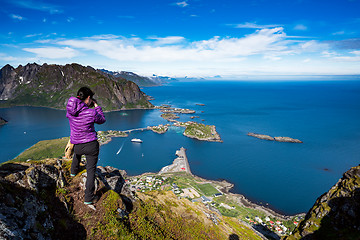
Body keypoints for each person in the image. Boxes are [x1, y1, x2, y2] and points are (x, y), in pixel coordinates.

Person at [66, 87, 106, 205]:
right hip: (91, 145)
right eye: (91, 99)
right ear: (88, 98)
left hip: (77, 144)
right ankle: (88, 198)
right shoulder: (91, 112)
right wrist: (97, 107)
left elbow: (74, 115)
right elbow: (102, 120)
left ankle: (73, 171)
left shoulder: (70, 112)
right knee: (91, 171)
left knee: (77, 154)